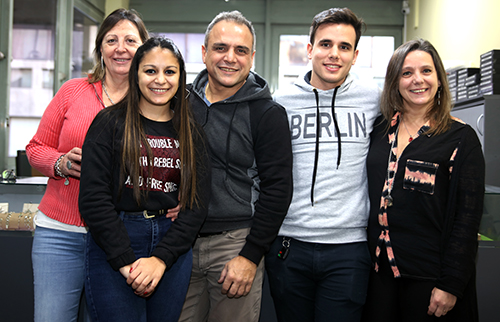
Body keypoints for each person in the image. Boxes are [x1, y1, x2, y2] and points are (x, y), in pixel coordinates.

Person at [26, 8, 148, 322]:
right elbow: (36, 148)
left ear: (144, 48)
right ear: (100, 49)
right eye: (112, 40)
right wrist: (60, 163)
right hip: (61, 233)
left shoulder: (153, 100)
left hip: (120, 236)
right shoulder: (73, 91)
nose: (120, 48)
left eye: (130, 40)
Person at [78, 37, 211, 322]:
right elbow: (93, 199)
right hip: (115, 241)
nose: (160, 80)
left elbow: (196, 206)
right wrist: (126, 261)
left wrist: (161, 259)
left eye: (170, 72)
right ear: (136, 73)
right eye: (150, 71)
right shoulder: (108, 123)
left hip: (171, 246)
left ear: (180, 77)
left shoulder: (191, 131)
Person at [265, 7, 381, 322]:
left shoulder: (374, 98)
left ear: (355, 55)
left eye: (344, 47)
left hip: (349, 248)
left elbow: (415, 109)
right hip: (289, 245)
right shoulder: (281, 102)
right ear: (310, 49)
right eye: (326, 44)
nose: (334, 54)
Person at [178, 10, 293, 322]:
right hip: (179, 244)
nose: (230, 58)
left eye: (240, 50)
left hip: (235, 244)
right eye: (220, 48)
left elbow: (278, 189)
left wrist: (250, 256)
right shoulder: (179, 102)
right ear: (204, 53)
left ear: (252, 57)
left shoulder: (268, 114)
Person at [362, 39, 485, 322]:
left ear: (439, 79)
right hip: (379, 273)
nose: (418, 80)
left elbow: (467, 220)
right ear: (395, 82)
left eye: (426, 71)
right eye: (406, 73)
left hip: (430, 277)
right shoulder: (379, 130)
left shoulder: (460, 138)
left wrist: (451, 283)